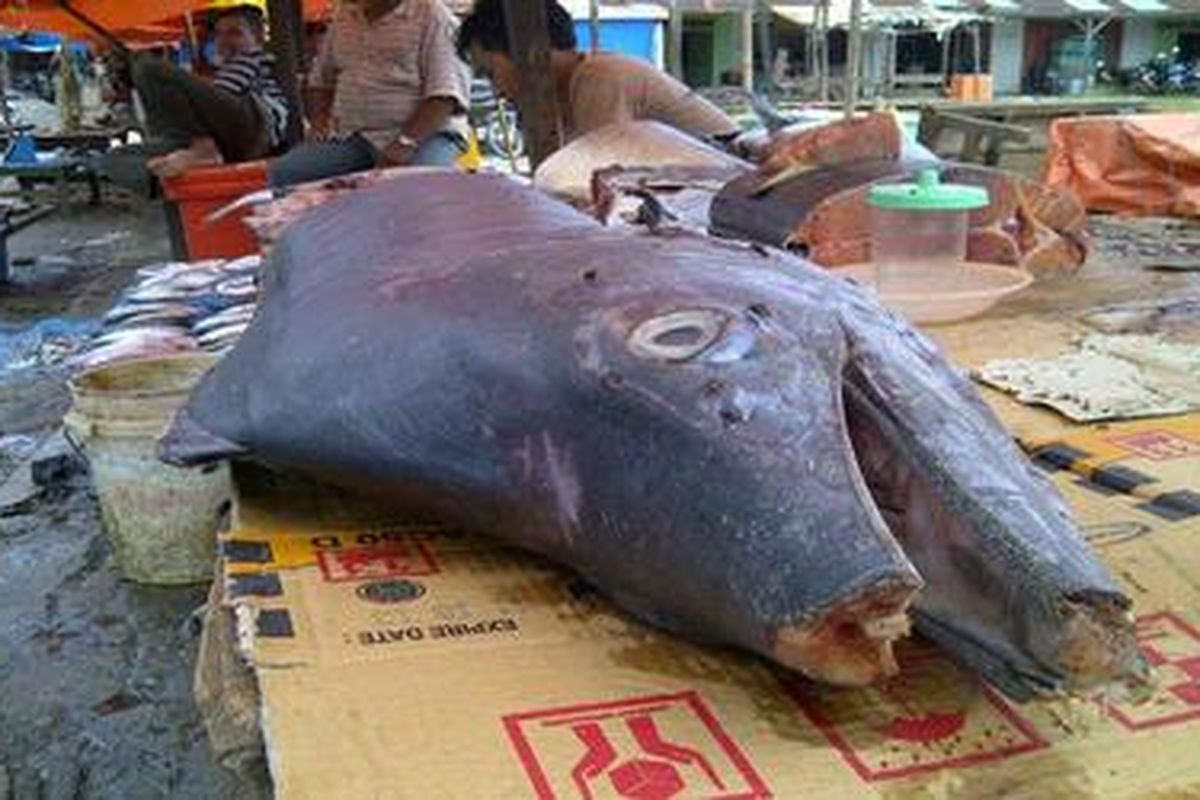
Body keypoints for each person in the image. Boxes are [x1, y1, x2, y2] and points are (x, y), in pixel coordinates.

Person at [457, 0, 740, 146]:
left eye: (491, 72)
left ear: (529, 53)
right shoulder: (566, 97)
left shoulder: (597, 78)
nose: (495, 91)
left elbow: (598, 177)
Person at [268, 0, 470, 187]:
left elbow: (444, 97)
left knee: (413, 186)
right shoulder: (343, 16)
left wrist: (405, 142)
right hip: (354, 136)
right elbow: (321, 81)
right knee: (286, 173)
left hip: (426, 136)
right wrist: (320, 122)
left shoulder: (434, 17)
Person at [130, 2, 288, 178]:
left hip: (256, 124)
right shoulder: (233, 67)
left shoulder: (252, 58)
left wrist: (187, 88)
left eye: (234, 33)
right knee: (116, 158)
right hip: (237, 142)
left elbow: (221, 94)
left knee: (146, 66)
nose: (223, 40)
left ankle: (199, 151)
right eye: (219, 34)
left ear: (258, 38)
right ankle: (177, 163)